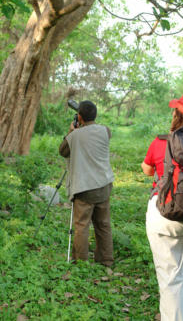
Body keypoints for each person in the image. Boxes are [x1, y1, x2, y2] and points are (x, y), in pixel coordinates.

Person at [144, 92, 183, 321]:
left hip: (166, 217)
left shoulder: (162, 141)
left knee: (171, 279)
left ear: (177, 115)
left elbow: (147, 170)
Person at [59, 100, 114, 266]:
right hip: (103, 185)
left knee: (82, 226)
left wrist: (70, 131)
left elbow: (62, 151)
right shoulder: (106, 130)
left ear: (79, 117)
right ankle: (106, 259)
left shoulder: (74, 136)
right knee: (103, 224)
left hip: (84, 188)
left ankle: (81, 262)